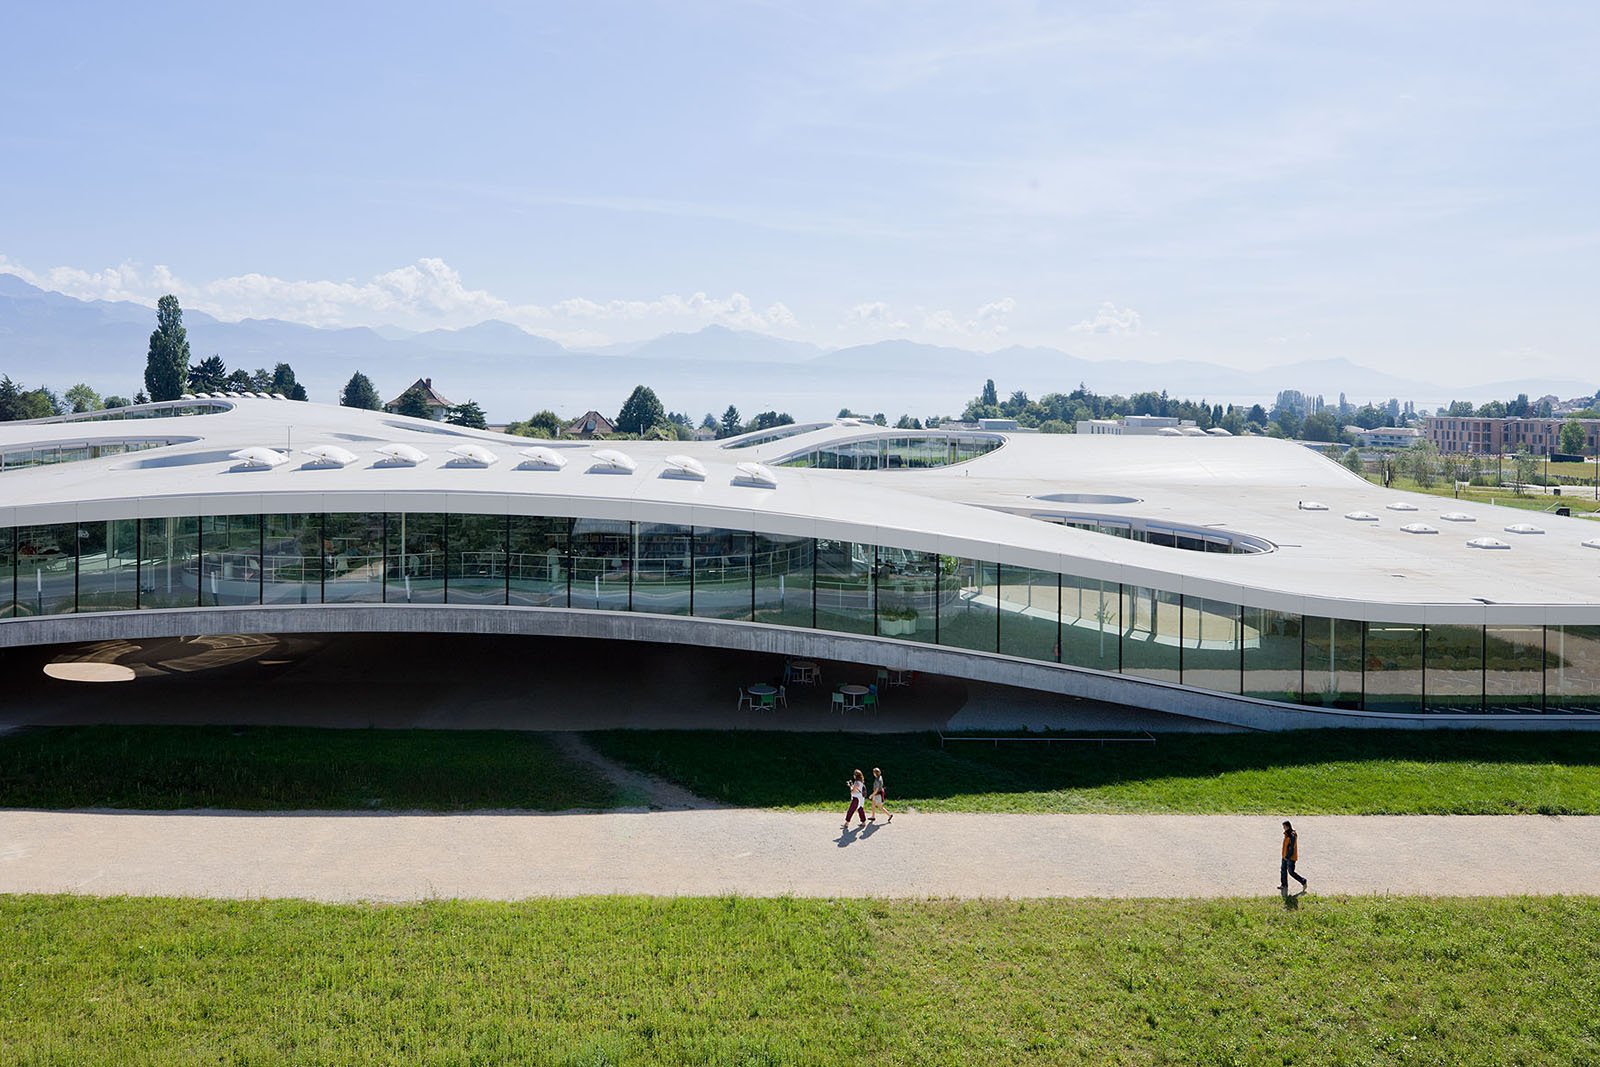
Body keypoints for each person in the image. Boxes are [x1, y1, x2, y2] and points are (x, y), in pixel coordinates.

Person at [1280, 820, 1308, 892]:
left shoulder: (1292, 835)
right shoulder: (1286, 834)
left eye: (1284, 827)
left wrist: (1287, 856)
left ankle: (1303, 881)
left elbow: (1292, 848)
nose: (1283, 828)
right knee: (1283, 870)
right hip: (1284, 856)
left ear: (1288, 826)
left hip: (1290, 858)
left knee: (1291, 872)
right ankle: (1284, 885)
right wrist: (1284, 856)